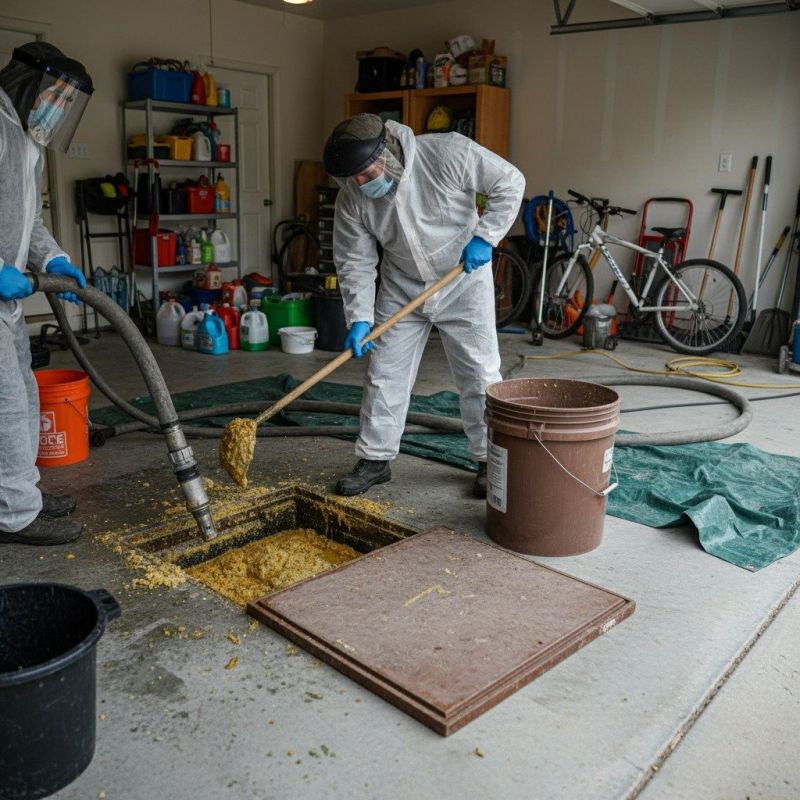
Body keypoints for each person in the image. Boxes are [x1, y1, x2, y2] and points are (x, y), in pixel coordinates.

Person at [322, 113, 524, 498]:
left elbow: (509, 182)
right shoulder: (352, 199)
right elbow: (355, 260)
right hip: (402, 286)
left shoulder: (447, 153)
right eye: (353, 180)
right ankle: (375, 460)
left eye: (367, 173)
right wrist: (360, 318)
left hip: (462, 279)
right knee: (384, 374)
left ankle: (486, 460)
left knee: (479, 374)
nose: (363, 185)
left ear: (388, 150)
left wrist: (487, 236)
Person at [0, 42, 94, 545]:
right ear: (28, 83)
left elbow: (27, 221)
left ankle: (21, 493)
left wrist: (53, 258)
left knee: (24, 392)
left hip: (7, 301)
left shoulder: (24, 139)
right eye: (55, 97)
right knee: (6, 403)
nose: (56, 110)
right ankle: (14, 516)